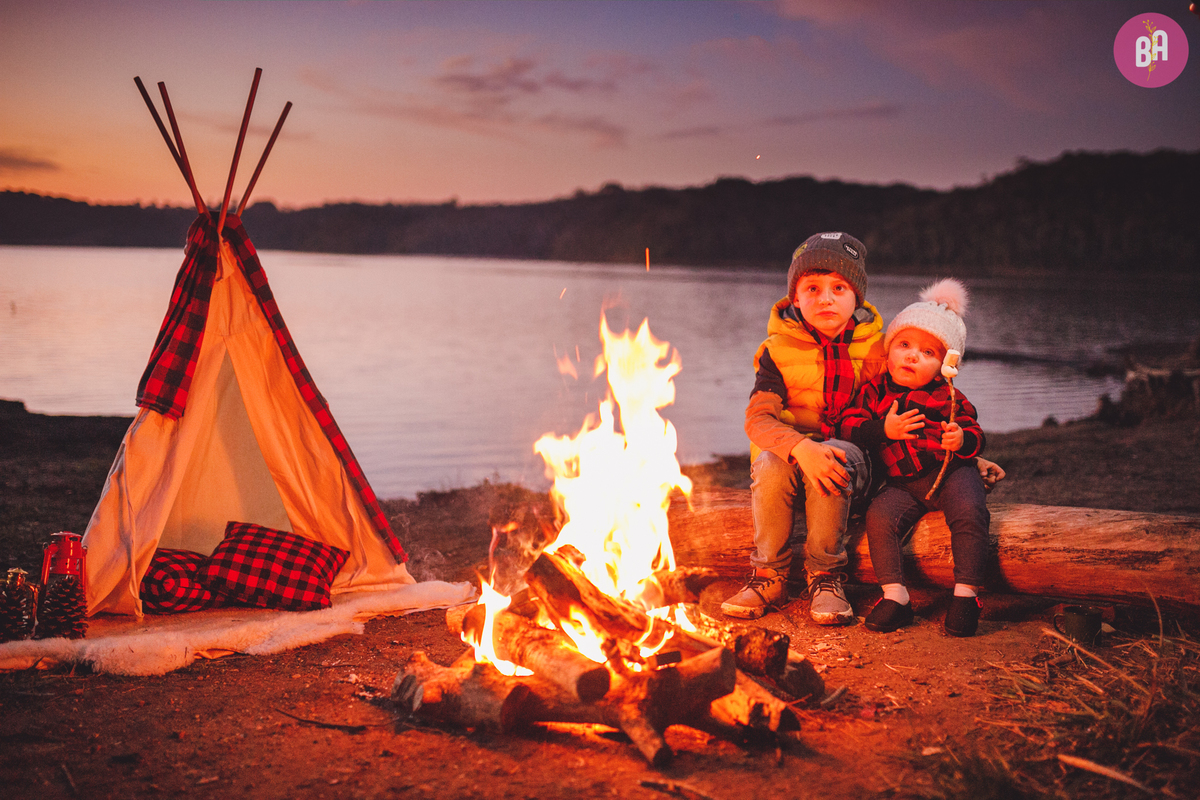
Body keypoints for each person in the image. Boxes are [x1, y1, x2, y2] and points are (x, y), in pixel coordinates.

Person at [721, 232, 886, 623]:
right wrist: (799, 448)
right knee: (770, 462)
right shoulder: (777, 351)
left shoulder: (880, 349)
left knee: (832, 459)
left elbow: (912, 406)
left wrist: (965, 455)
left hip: (852, 464)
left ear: (856, 297)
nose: (825, 298)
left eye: (838, 288)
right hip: (793, 458)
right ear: (795, 298)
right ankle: (769, 575)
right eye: (812, 288)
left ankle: (826, 574)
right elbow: (758, 419)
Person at [837, 278, 989, 637]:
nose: (912, 356)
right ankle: (896, 595)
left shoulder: (948, 395)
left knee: (970, 512)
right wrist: (882, 430)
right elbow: (848, 425)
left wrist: (962, 439)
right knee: (879, 517)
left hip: (950, 472)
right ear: (888, 350)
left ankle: (967, 594)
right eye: (904, 345)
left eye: (927, 353)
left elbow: (977, 433)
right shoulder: (875, 392)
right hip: (903, 483)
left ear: (945, 364)